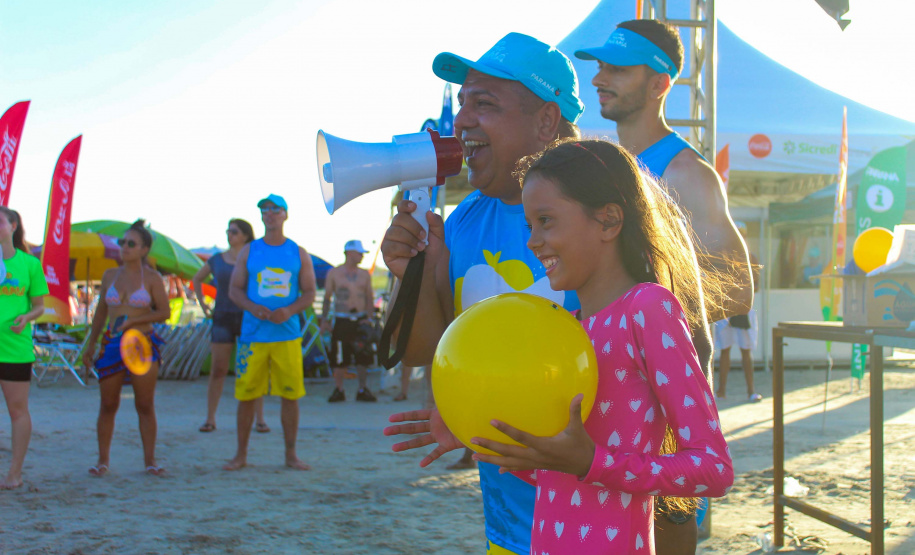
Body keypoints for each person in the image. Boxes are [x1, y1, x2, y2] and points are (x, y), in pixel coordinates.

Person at [387, 139, 735, 553]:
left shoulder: (648, 308)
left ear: (608, 221)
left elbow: (712, 469)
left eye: (546, 221)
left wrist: (592, 462)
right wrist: (475, 432)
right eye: (530, 225)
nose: (534, 241)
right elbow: (559, 474)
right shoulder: (569, 331)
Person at [381, 33, 585, 555]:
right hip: (508, 530)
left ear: (544, 120)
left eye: (484, 103)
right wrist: (412, 274)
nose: (461, 120)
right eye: (463, 101)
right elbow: (426, 349)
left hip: (597, 527)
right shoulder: (464, 219)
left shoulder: (604, 216)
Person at [574, 19, 754, 550]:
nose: (601, 77)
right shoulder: (602, 169)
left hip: (660, 412)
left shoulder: (686, 174)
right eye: (600, 65)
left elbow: (739, 288)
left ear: (659, 85)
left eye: (618, 68)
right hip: (599, 399)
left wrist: (654, 317)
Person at [224, 194, 316, 471]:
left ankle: (291, 455)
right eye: (265, 209)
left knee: (290, 396)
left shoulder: (297, 252)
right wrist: (253, 307)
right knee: (247, 396)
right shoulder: (249, 250)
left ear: (285, 215)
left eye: (276, 209)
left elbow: (310, 292)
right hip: (253, 336)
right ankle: (241, 455)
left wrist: (288, 311)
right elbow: (234, 290)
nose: (270, 213)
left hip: (287, 335)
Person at [82, 220, 171, 476]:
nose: (125, 247)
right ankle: (102, 461)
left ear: (144, 249)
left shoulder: (152, 278)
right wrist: (91, 345)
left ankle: (150, 461)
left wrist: (134, 320)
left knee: (144, 404)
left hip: (141, 343)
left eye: (131, 243)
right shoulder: (110, 275)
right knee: (108, 404)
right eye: (122, 242)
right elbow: (100, 313)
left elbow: (163, 313)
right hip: (112, 342)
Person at [192, 219, 269, 433]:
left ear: (245, 235)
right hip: (223, 316)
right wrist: (204, 306)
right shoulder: (217, 259)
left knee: (253, 369)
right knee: (218, 369)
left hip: (249, 317)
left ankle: (260, 419)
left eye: (234, 232)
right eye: (228, 231)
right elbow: (197, 279)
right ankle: (210, 418)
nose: (230, 235)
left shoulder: (253, 257)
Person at [0, 207, 48, 489]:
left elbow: (39, 306)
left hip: (15, 348)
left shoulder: (30, 264)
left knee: (17, 411)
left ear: (13, 225)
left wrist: (26, 317)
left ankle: (14, 474)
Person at [321, 239, 377, 403]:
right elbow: (327, 298)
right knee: (339, 357)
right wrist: (324, 320)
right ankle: (339, 389)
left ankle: (362, 389)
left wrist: (369, 318)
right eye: (359, 253)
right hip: (342, 319)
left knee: (363, 356)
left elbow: (369, 297)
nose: (361, 256)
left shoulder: (364, 274)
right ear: (349, 253)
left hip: (360, 320)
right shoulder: (334, 273)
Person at [715, 223, 763, 402]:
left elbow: (756, 286)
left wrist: (742, 292)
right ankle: (721, 391)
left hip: (744, 308)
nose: (739, 237)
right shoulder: (723, 256)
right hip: (727, 309)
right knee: (725, 350)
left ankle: (751, 391)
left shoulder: (751, 258)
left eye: (742, 234)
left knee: (746, 350)